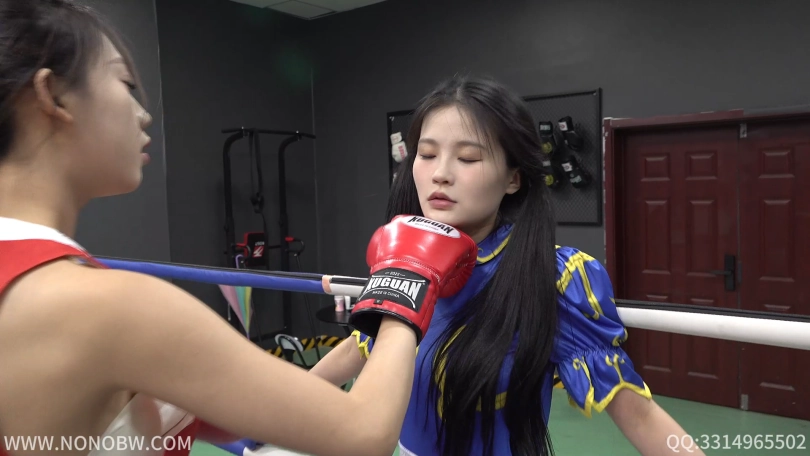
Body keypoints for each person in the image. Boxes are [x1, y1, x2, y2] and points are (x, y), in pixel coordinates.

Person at [0, 1, 475, 455]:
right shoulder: (109, 306)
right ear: (53, 95)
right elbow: (365, 432)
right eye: (125, 84)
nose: (143, 113)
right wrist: (405, 284)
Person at [308, 75, 704, 456]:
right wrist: (282, 408)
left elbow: (639, 414)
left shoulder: (555, 276)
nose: (440, 174)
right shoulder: (402, 256)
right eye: (426, 155)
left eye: (468, 157)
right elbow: (363, 346)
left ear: (513, 178)